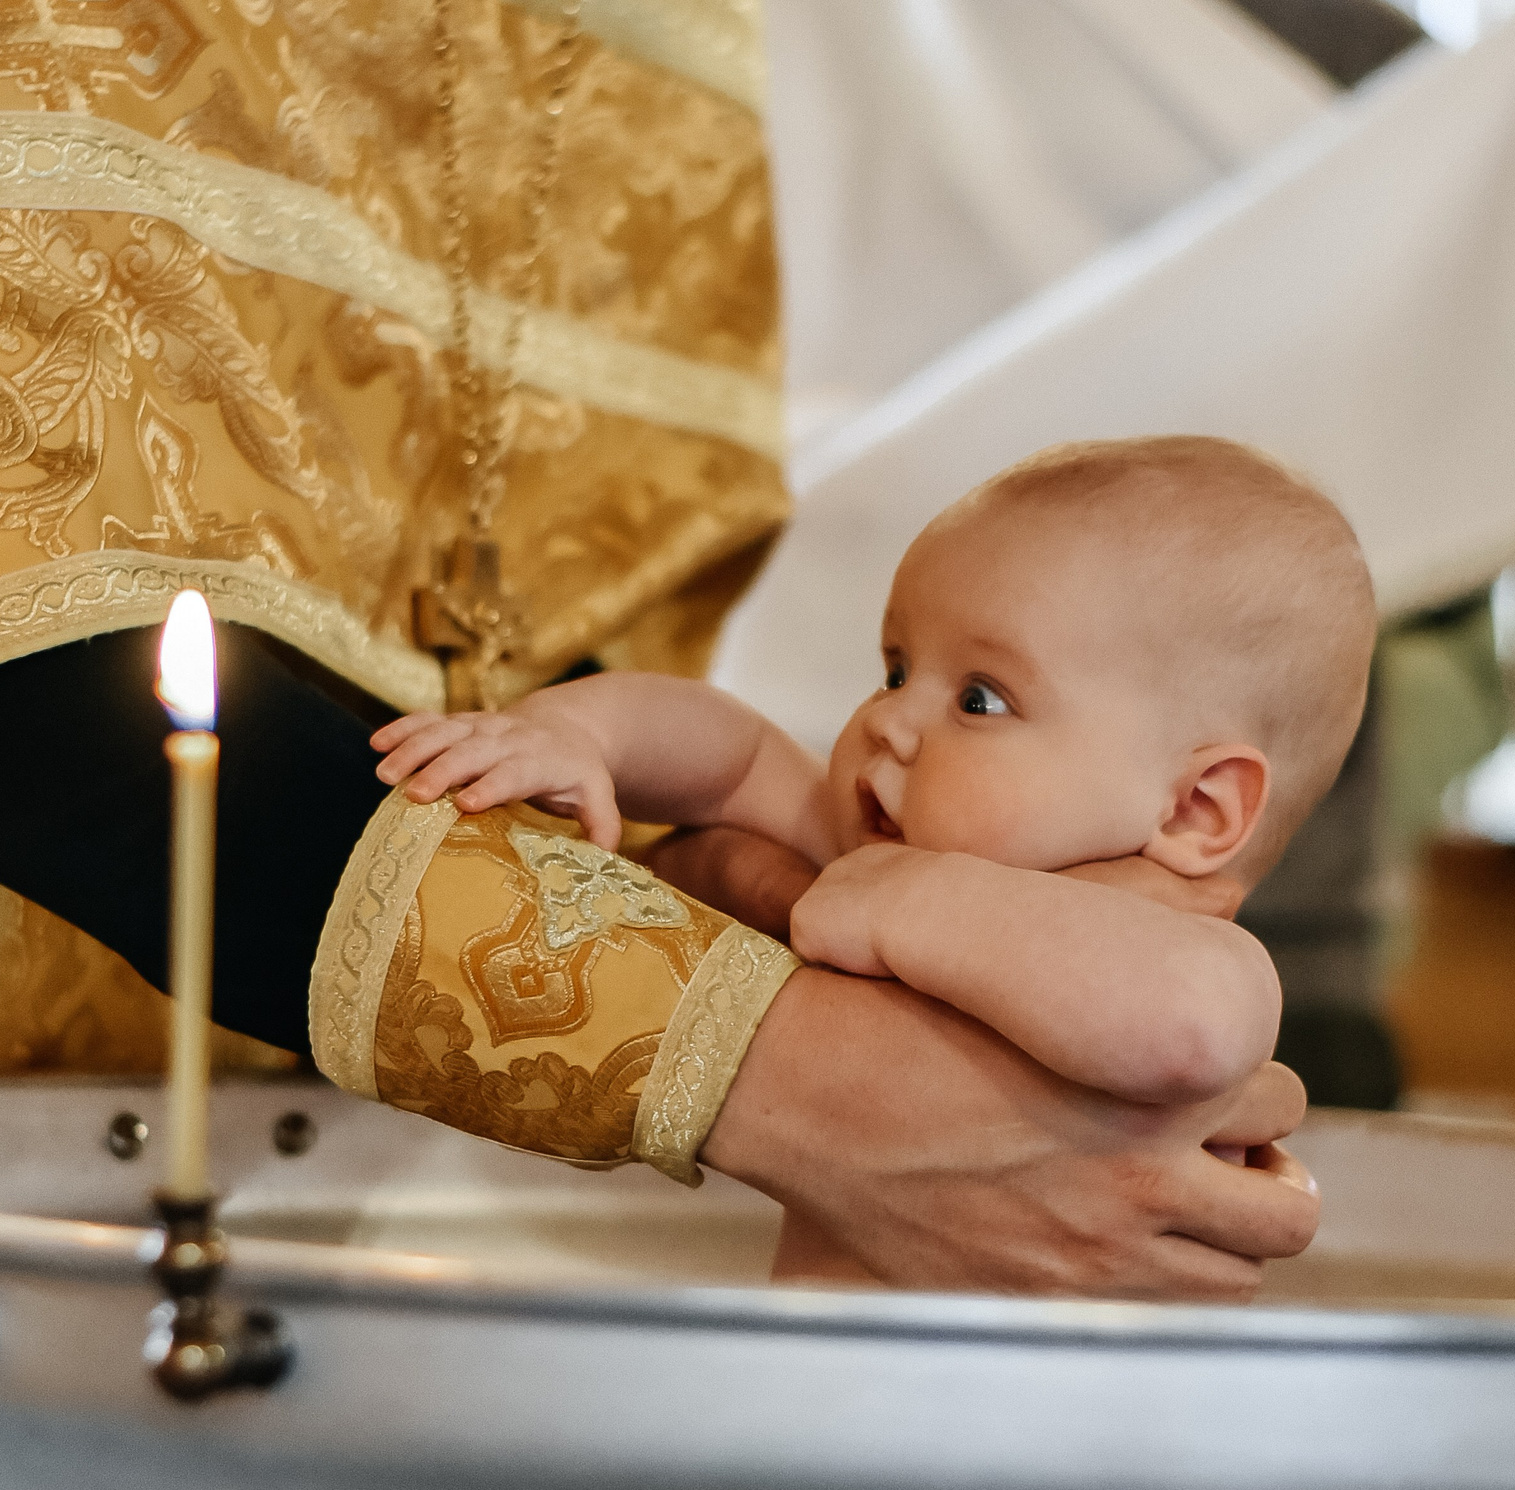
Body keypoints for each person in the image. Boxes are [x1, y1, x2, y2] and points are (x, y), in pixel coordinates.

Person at [370, 438, 1369, 1280]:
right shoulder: (870, 838)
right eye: (896, 667)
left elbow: (1189, 1030)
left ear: (1194, 808)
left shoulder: (1176, 948)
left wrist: (908, 902)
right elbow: (732, 755)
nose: (888, 718)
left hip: (1059, 1455)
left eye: (980, 697)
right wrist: (578, 734)